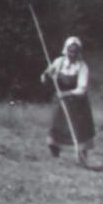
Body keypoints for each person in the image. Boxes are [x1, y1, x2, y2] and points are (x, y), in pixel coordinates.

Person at [40, 36, 96, 165]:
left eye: (75, 51)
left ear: (79, 52)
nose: (72, 54)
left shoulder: (82, 67)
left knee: (79, 131)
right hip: (60, 103)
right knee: (55, 127)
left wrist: (66, 93)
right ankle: (55, 156)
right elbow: (44, 79)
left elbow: (82, 88)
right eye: (70, 51)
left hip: (77, 104)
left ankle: (82, 158)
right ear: (66, 50)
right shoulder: (59, 62)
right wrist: (47, 75)